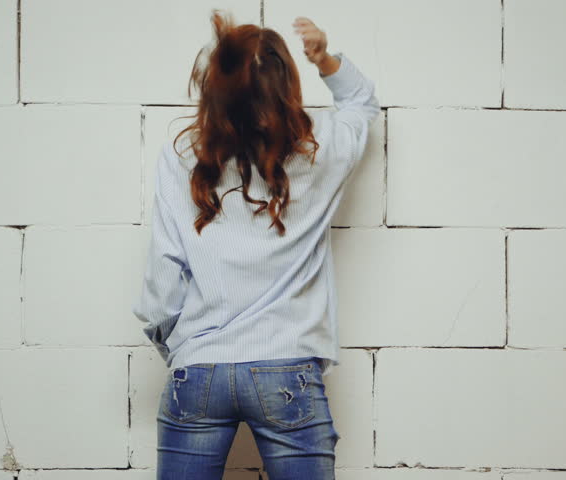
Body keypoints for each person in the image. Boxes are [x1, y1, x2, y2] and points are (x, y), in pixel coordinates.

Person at [131, 9, 380, 480]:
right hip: (288, 369)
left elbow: (163, 277)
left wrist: (183, 350)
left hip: (198, 367)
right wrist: (325, 60)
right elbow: (362, 104)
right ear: (287, 86)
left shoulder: (181, 158)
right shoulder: (321, 150)